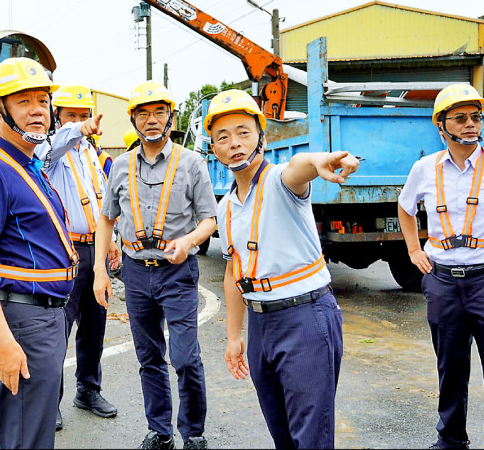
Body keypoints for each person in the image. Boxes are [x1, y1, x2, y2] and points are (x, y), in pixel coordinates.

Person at [205, 89, 357, 449]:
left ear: (262, 135)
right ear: (214, 149)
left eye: (244, 132)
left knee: (311, 438)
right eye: (223, 137)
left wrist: (319, 161)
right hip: (261, 324)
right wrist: (233, 336)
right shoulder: (226, 207)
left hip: (305, 317)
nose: (235, 144)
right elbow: (232, 274)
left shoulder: (281, 182)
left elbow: (299, 166)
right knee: (283, 436)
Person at [0, 57, 96, 449]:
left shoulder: (30, 164)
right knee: (27, 437)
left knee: (35, 432)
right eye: (23, 102)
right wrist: (4, 342)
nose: (37, 110)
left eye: (42, 100)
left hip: (44, 316)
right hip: (21, 320)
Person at [397, 84, 484, 450]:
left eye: (476, 117)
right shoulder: (425, 168)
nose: (471, 124)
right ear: (442, 126)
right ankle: (451, 439)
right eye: (461, 118)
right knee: (450, 367)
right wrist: (413, 250)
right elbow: (405, 208)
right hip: (442, 281)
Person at [92, 80, 217, 450]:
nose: (151, 120)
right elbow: (106, 219)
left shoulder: (191, 163)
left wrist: (189, 241)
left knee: (184, 357)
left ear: (170, 116)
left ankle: (193, 432)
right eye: (143, 113)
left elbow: (210, 220)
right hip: (134, 271)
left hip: (177, 272)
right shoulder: (120, 166)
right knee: (148, 357)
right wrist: (100, 269)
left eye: (158, 112)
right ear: (133, 119)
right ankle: (160, 432)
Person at [34, 83, 120, 430]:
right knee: (58, 328)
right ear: (59, 117)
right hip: (65, 251)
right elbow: (56, 144)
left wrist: (110, 242)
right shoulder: (49, 149)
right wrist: (78, 129)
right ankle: (47, 401)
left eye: (84, 116)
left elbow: (102, 203)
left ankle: (88, 390)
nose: (81, 122)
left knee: (94, 325)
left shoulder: (91, 154)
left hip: (95, 249)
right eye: (71, 115)